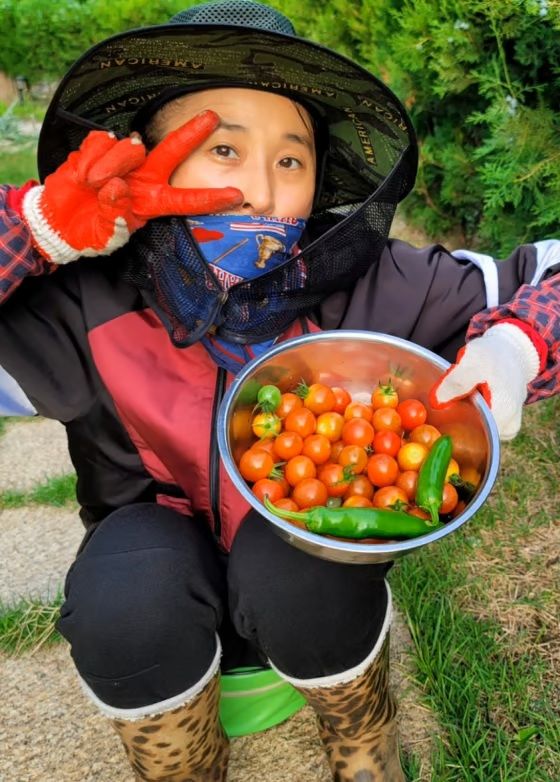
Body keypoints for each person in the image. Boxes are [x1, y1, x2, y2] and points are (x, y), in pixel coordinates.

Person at [0, 2, 558, 780]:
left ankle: (364, 743)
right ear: (144, 164)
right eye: (222, 148)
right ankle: (184, 762)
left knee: (302, 568)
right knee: (123, 603)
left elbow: (551, 272)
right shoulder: (85, 304)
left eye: (290, 161)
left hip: (309, 583)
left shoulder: (381, 283)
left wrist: (517, 340)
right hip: (155, 565)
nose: (261, 192)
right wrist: (31, 233)